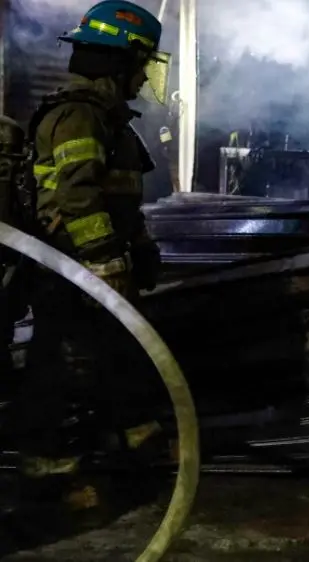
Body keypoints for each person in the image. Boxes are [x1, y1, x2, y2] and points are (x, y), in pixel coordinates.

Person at [7, 0, 171, 514]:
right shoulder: (78, 116)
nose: (145, 77)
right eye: (141, 64)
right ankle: (45, 473)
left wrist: (139, 248)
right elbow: (77, 198)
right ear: (120, 63)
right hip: (70, 271)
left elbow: (118, 197)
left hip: (94, 270)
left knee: (111, 364)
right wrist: (105, 261)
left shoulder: (109, 120)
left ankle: (121, 459)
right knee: (62, 367)